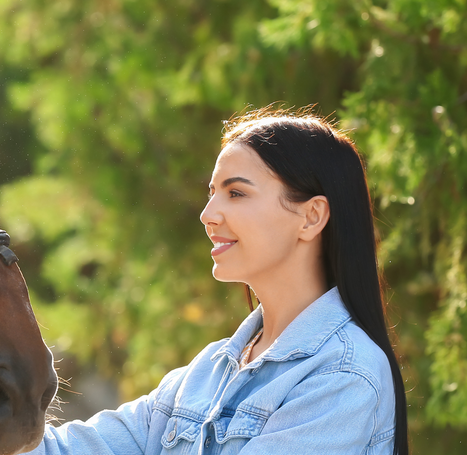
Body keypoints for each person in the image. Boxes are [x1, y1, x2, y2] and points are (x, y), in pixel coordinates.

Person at [25, 108, 408, 455]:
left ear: (311, 217)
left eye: (236, 193)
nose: (209, 215)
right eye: (212, 194)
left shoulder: (343, 376)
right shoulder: (207, 372)